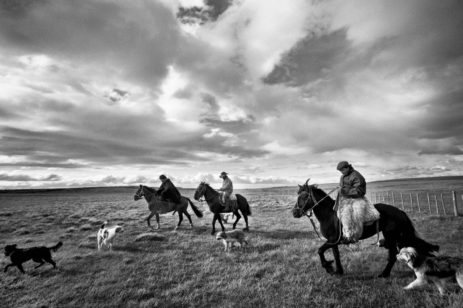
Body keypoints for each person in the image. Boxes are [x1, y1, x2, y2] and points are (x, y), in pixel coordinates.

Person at [336, 161, 380, 243]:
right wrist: (340, 189)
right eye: (340, 171)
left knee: (356, 215)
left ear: (347, 167)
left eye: (342, 170)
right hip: (346, 198)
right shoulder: (342, 176)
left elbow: (360, 191)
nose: (341, 172)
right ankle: (343, 233)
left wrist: (344, 191)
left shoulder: (357, 176)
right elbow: (342, 187)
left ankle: (353, 236)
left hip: (357, 198)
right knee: (339, 212)